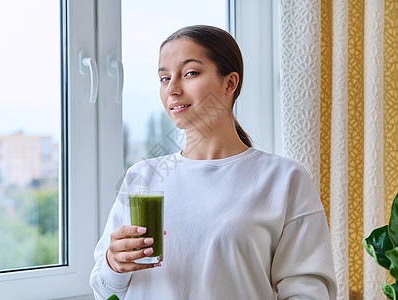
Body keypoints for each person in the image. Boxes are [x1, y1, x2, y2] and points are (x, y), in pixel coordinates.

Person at [90, 25, 337, 299]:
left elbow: (309, 291)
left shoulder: (283, 178)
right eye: (164, 77)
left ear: (229, 83)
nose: (172, 89)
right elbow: (104, 290)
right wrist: (114, 264)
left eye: (190, 73)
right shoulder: (142, 177)